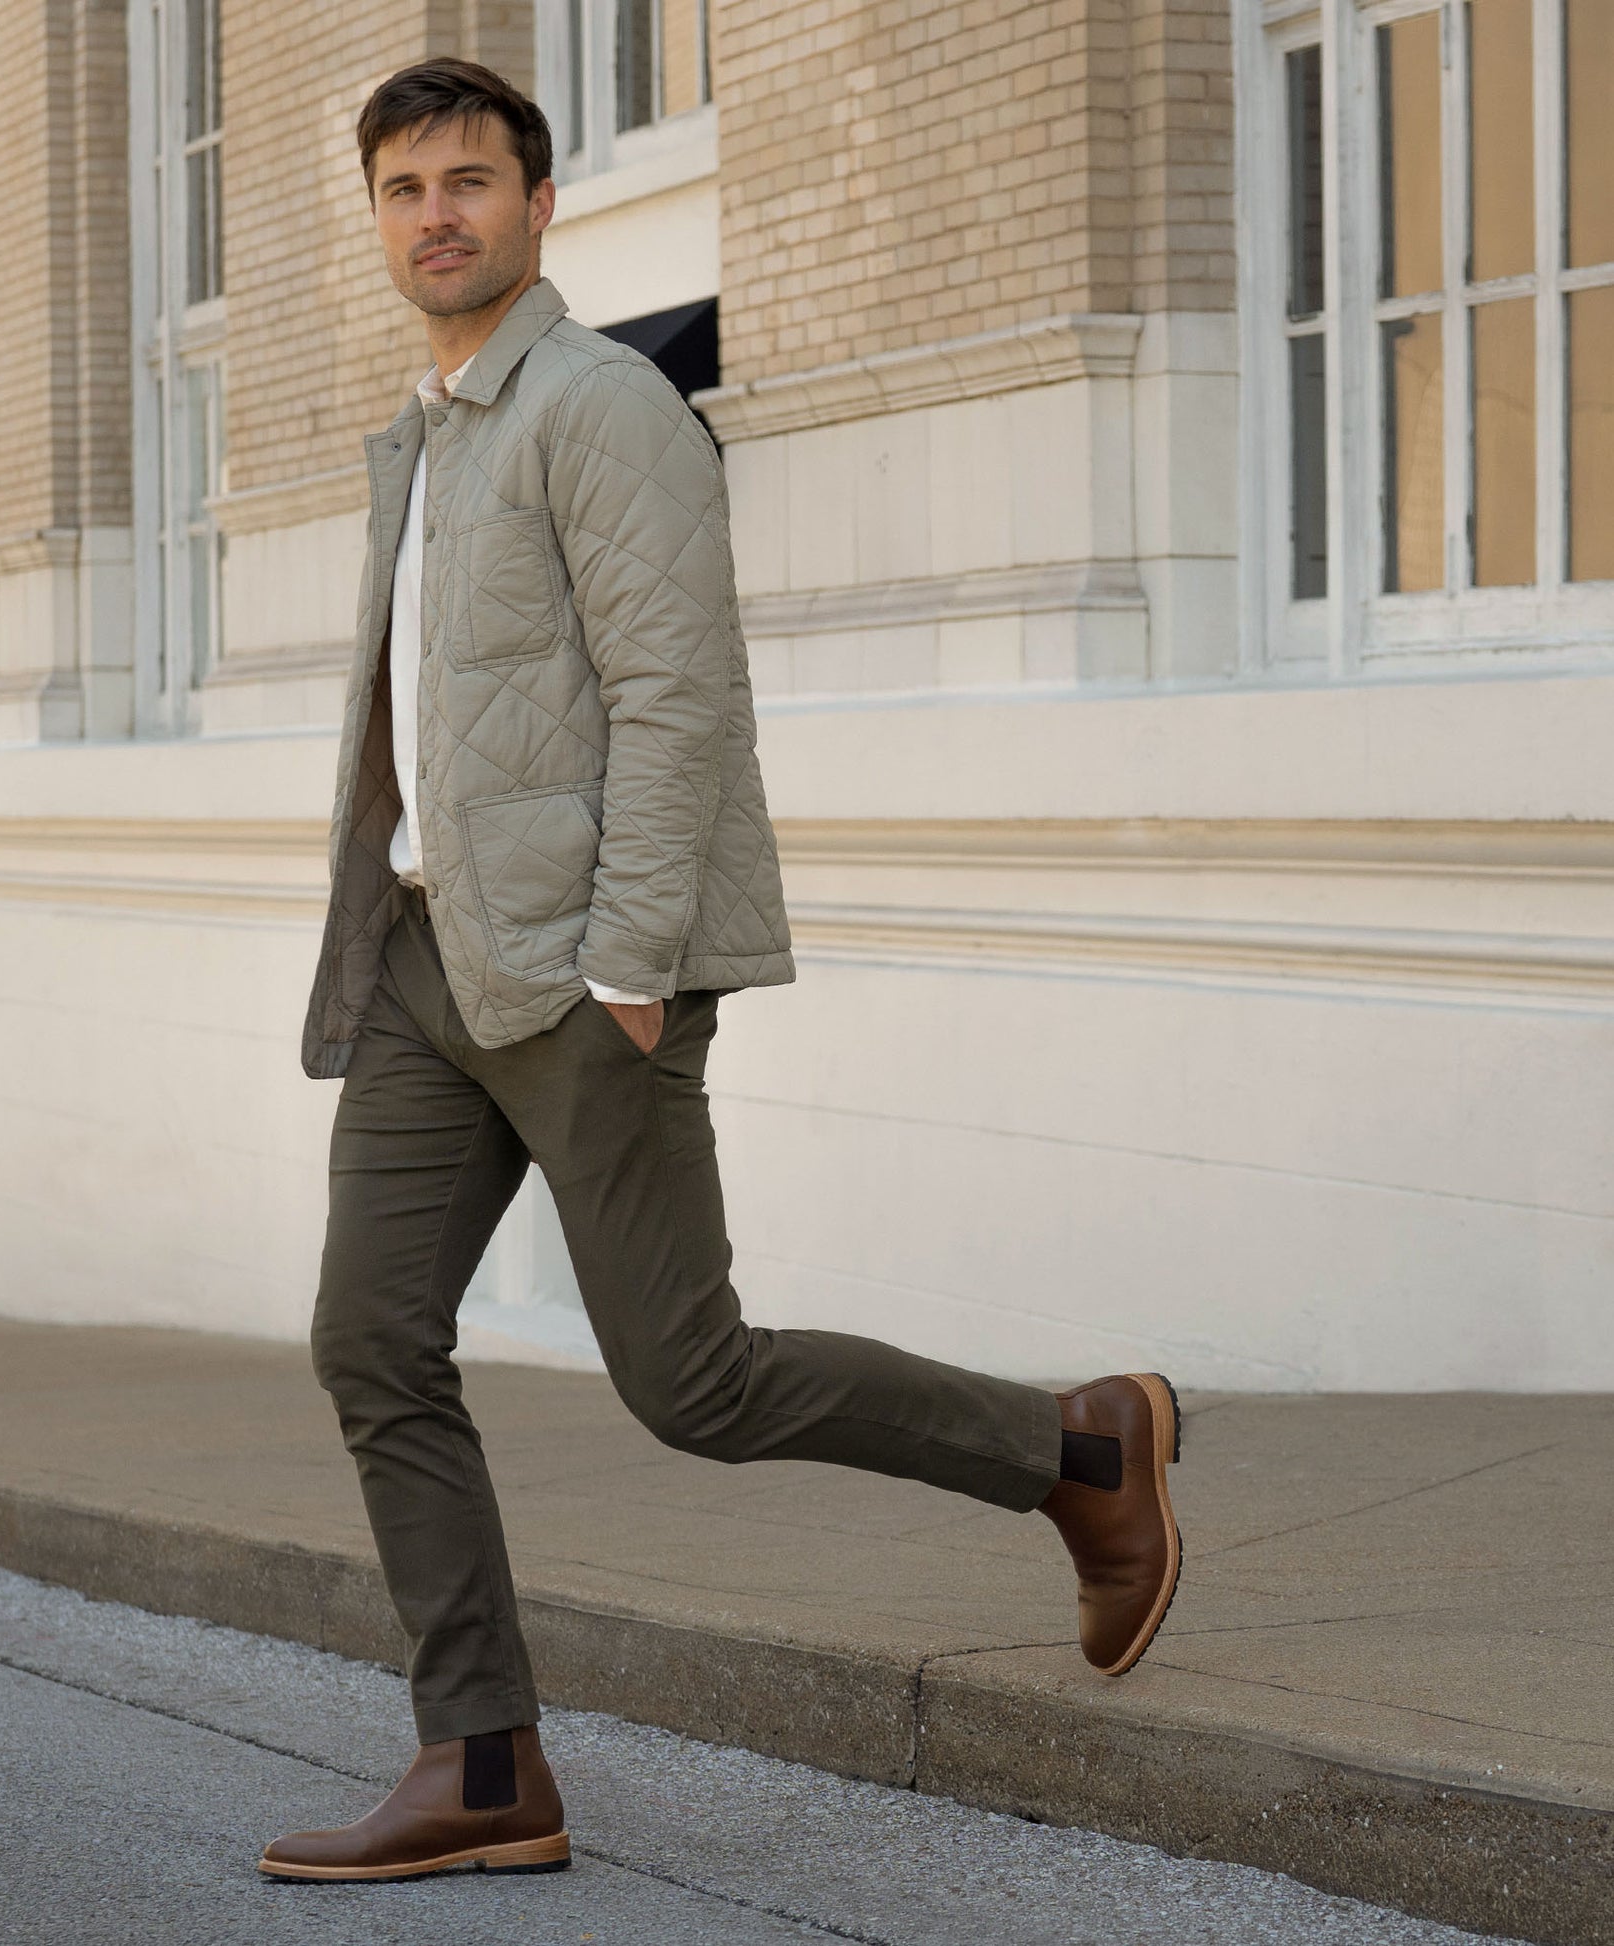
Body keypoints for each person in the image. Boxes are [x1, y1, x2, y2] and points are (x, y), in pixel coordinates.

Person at [261, 56, 1182, 1886]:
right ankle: (484, 1756)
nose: (434, 212)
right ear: (375, 220)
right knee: (370, 1337)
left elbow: (678, 694)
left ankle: (1079, 1452)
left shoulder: (600, 407)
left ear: (539, 208)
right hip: (432, 971)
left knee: (694, 1383)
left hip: (586, 972)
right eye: (402, 188)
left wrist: (628, 960)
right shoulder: (426, 432)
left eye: (468, 180)